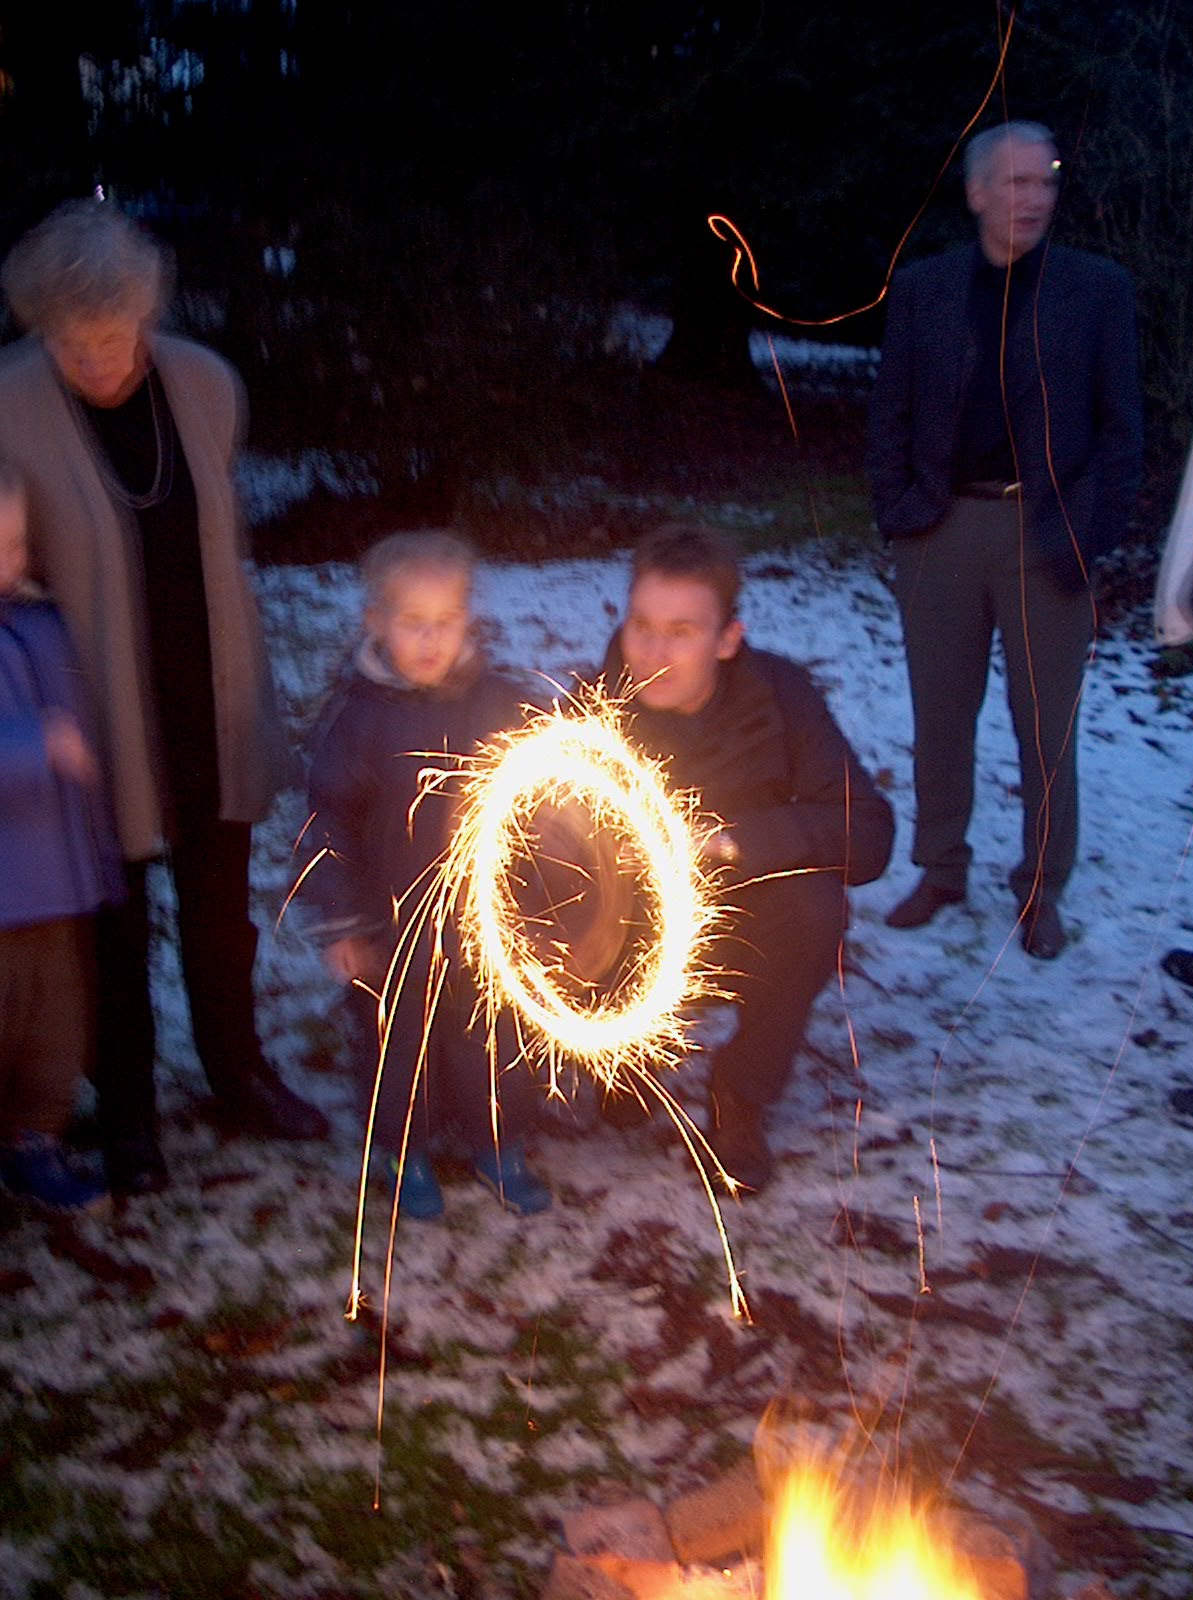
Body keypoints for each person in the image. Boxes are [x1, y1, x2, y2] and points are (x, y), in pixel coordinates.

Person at [0, 198, 327, 1199]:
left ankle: (238, 1071)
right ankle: (129, 1109)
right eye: (72, 344)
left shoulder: (206, 385)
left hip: (208, 692)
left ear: (148, 316)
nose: (98, 362)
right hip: (93, 709)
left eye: (114, 338)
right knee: (113, 918)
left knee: (220, 904)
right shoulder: (10, 405)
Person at [866, 121, 1143, 959]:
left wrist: (1088, 534)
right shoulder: (925, 289)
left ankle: (1041, 886)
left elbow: (1122, 430)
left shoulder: (1096, 290)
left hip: (1047, 533)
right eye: (1017, 182)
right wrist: (900, 514)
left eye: (1046, 181)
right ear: (978, 192)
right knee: (941, 716)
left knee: (1046, 729)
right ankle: (941, 868)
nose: (1034, 198)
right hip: (941, 529)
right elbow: (891, 412)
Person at [600, 524, 894, 1191]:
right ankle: (629, 1052)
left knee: (814, 908)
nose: (652, 652)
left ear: (727, 639)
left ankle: (741, 1092)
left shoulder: (781, 697)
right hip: (635, 924)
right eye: (641, 626)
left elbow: (869, 833)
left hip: (741, 914)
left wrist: (730, 841)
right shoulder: (597, 708)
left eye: (681, 632)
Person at [305, 530, 551, 1218]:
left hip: (480, 919)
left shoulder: (496, 702)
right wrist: (343, 922)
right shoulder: (358, 718)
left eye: (445, 621)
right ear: (376, 623)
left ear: (468, 621)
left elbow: (534, 802)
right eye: (412, 621)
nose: (430, 638)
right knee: (397, 1041)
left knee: (489, 1031)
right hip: (389, 925)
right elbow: (327, 822)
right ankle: (399, 1149)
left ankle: (498, 1141)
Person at [0, 459, 123, 1211]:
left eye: (15, 545)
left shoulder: (40, 622)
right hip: (7, 894)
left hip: (59, 884)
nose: (10, 564)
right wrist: (34, 747)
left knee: (57, 1024)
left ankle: (35, 1142)